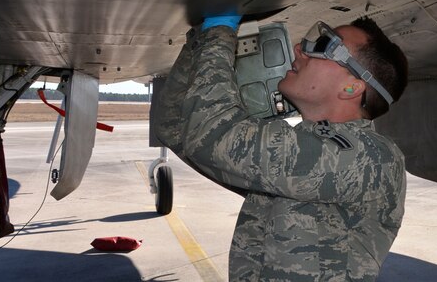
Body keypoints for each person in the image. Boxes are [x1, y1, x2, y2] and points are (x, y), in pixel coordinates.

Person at [154, 14, 409, 282]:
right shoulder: (304, 147)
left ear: (351, 88)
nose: (300, 48)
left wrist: (219, 31)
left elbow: (212, 135)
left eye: (323, 45)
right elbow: (176, 128)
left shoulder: (368, 157)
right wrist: (200, 40)